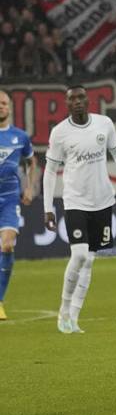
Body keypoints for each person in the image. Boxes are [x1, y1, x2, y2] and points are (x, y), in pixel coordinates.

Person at [43, 86, 116, 333]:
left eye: (81, 97)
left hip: (103, 200)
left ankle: (74, 317)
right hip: (75, 201)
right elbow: (50, 171)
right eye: (72, 99)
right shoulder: (60, 132)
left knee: (90, 260)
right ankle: (63, 310)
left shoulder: (104, 124)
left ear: (88, 100)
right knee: (80, 255)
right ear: (67, 104)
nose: (77, 102)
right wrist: (47, 207)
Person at [0, 90, 36, 320]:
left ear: (10, 107)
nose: (0, 106)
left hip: (10, 199)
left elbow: (32, 161)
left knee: (7, 246)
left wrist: (30, 186)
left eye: (3, 103)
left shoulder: (20, 136)